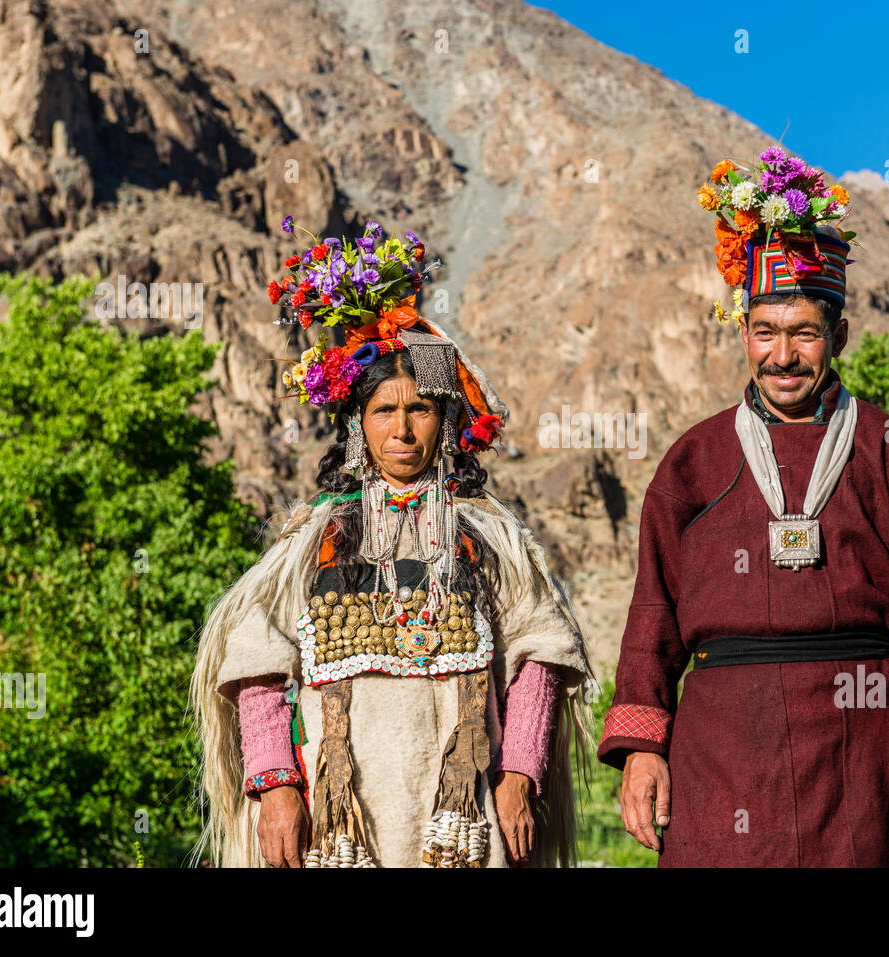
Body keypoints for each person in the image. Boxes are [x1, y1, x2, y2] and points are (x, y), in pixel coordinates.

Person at [597, 146, 889, 867]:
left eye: (804, 333)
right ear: (743, 334)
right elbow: (653, 611)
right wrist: (644, 748)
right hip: (724, 746)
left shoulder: (886, 447)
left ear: (837, 335)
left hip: (866, 736)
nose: (783, 356)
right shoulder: (694, 460)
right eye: (765, 333)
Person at [193, 219, 596, 868]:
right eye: (385, 410)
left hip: (461, 822)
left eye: (421, 409)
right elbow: (256, 661)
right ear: (360, 424)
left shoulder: (492, 541)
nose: (403, 429)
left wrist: (520, 776)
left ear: (445, 421)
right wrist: (275, 787)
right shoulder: (313, 543)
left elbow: (541, 653)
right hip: (341, 821)